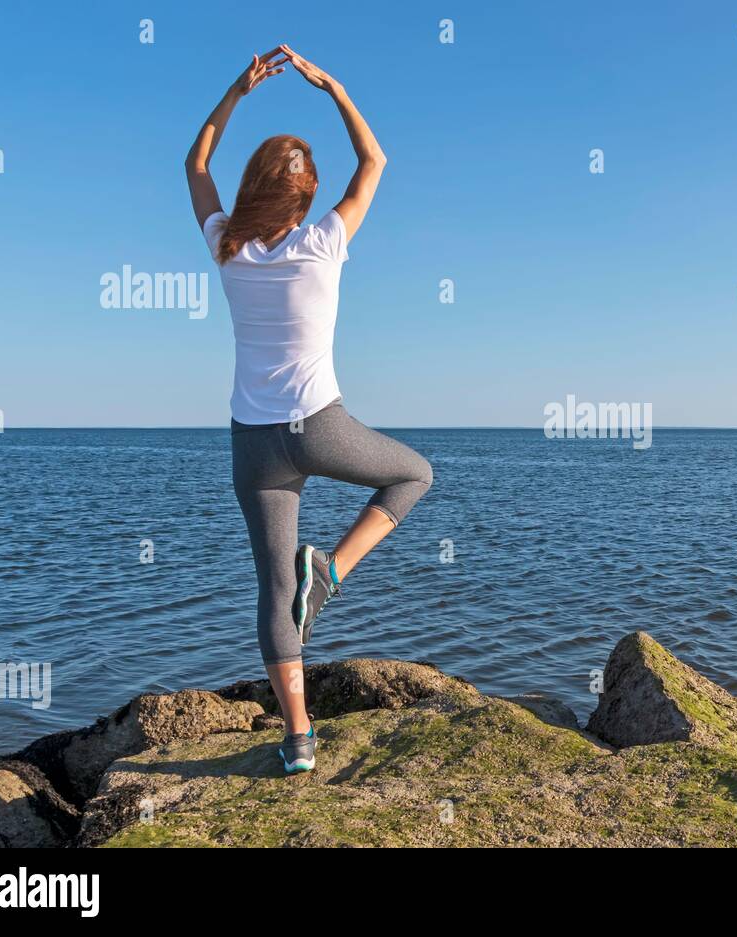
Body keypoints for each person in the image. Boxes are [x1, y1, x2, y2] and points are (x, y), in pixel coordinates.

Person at [184, 45, 432, 774]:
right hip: (320, 427)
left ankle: (298, 739)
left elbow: (196, 165)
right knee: (414, 474)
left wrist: (236, 88)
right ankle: (334, 571)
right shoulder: (325, 242)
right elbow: (375, 161)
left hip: (252, 443)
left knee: (271, 587)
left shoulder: (226, 247)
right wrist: (335, 89)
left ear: (254, 187)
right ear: (305, 194)